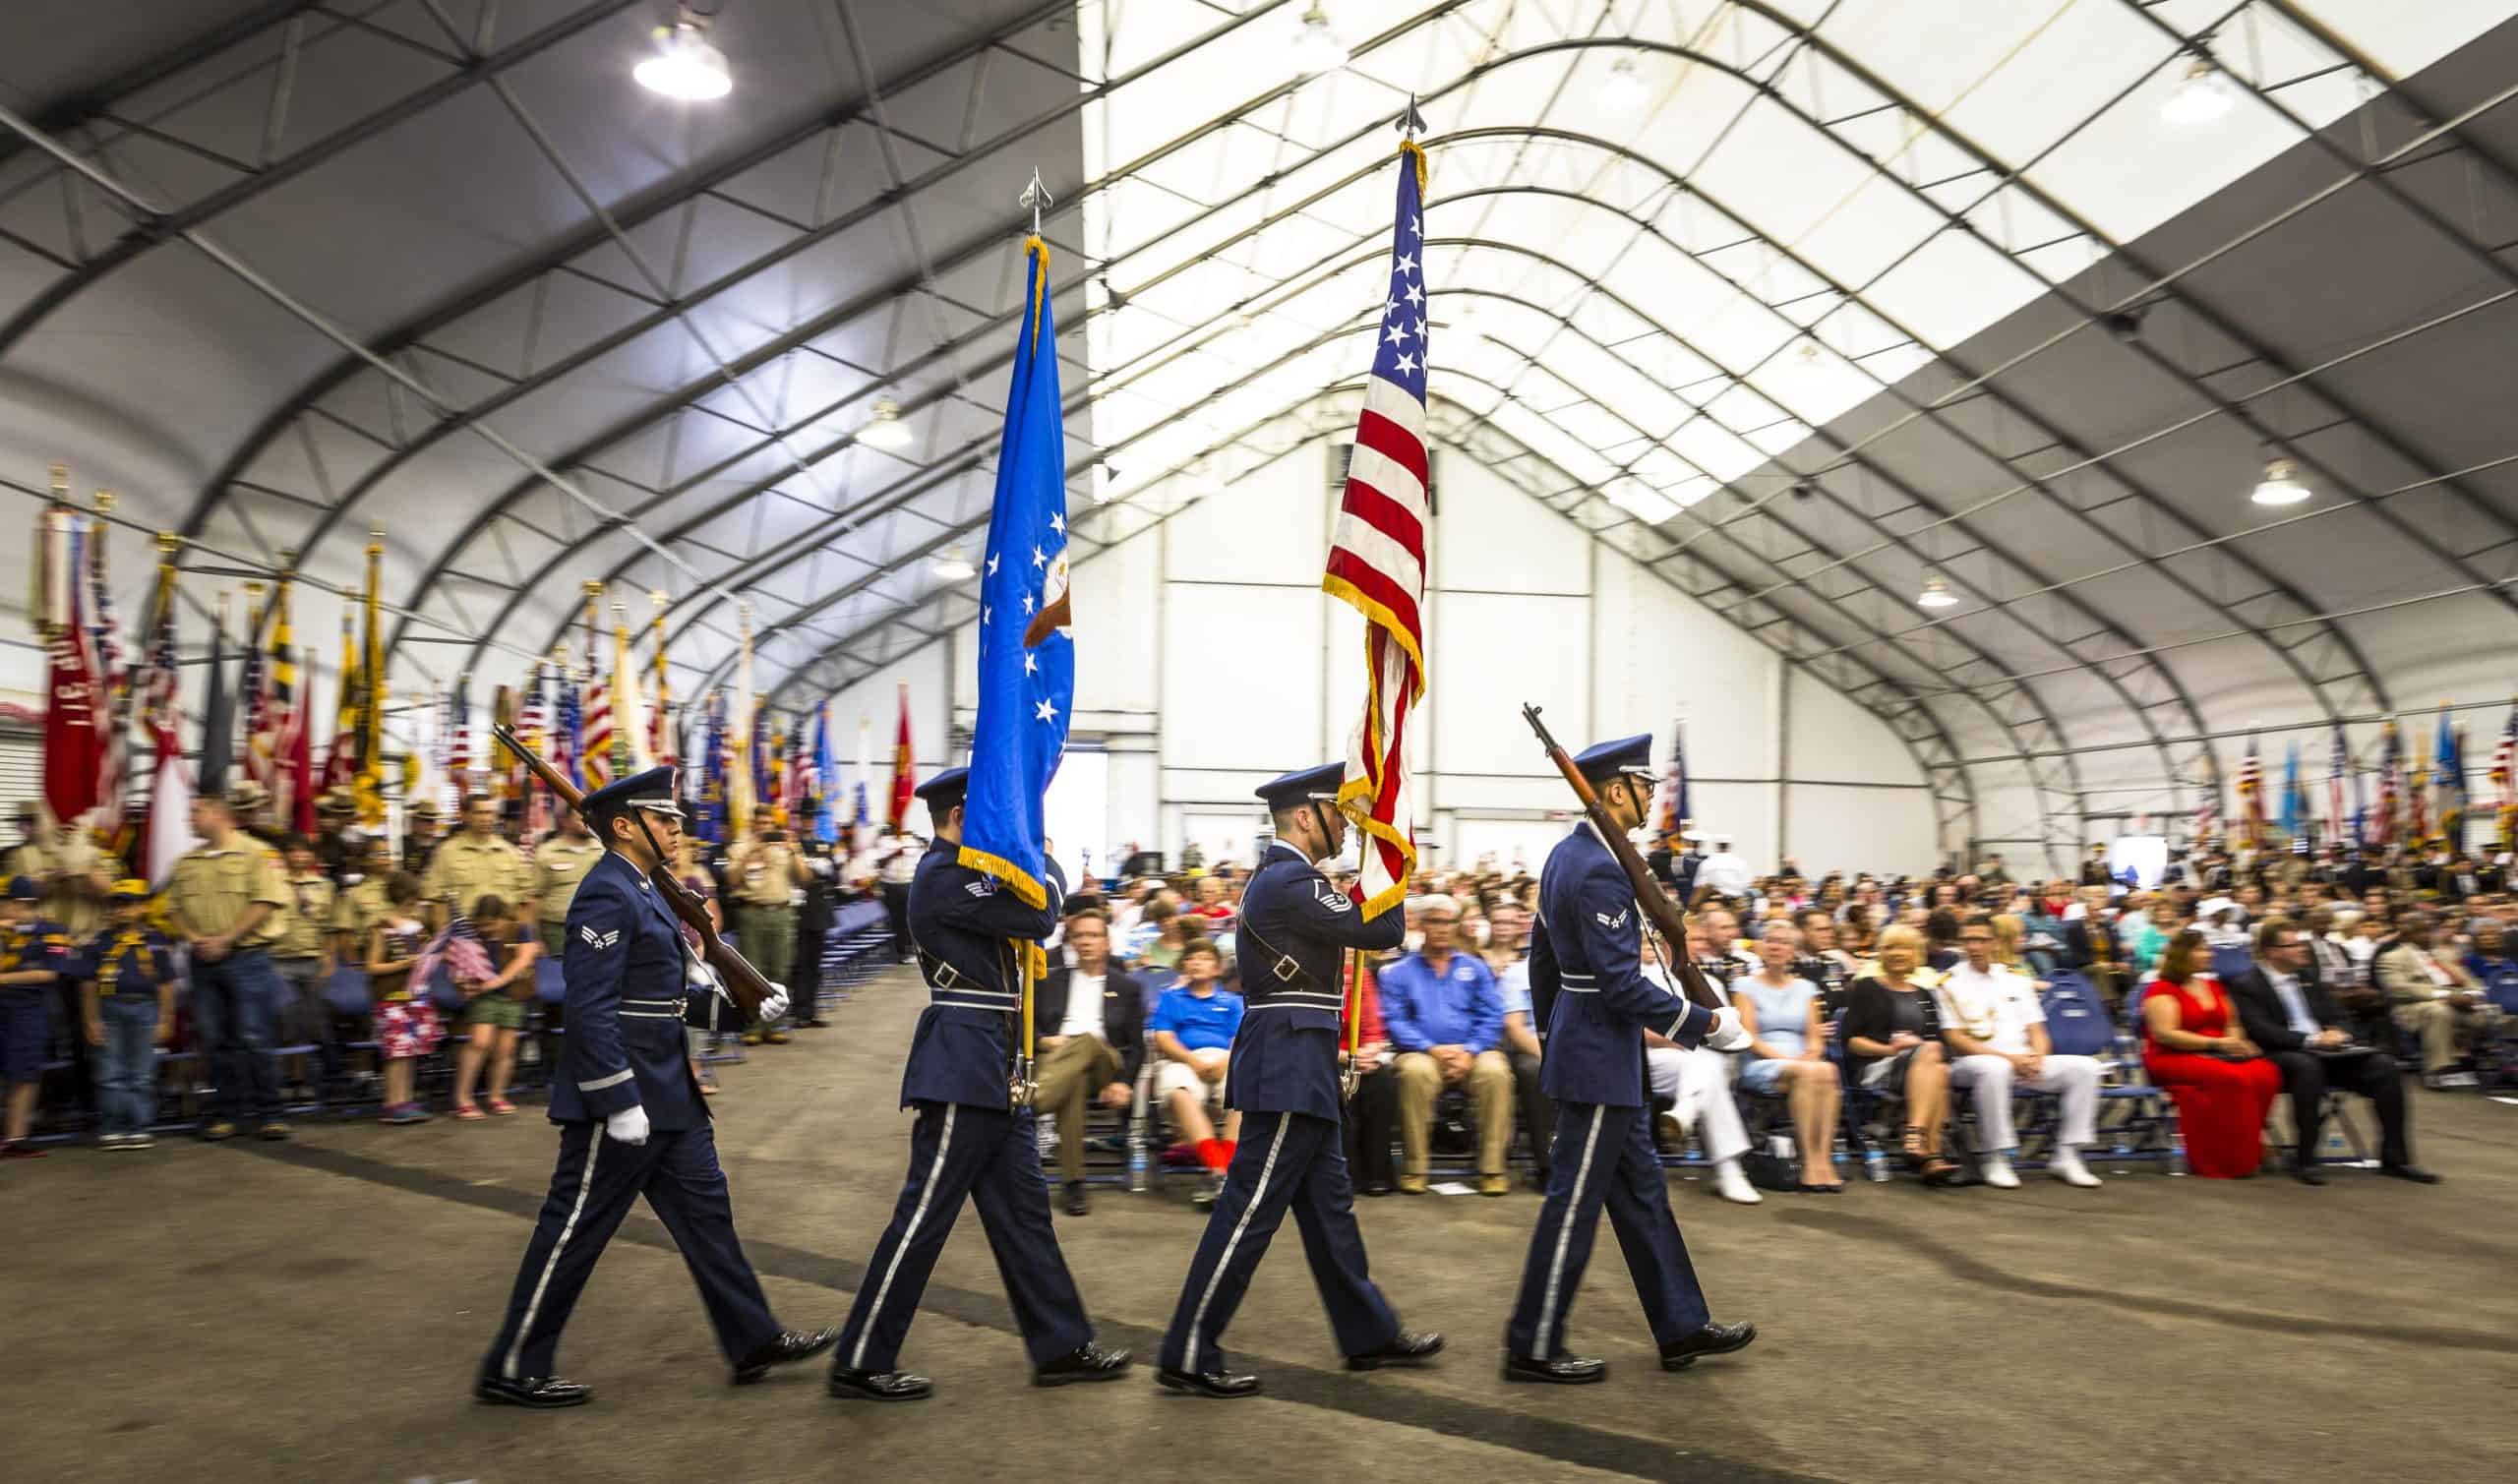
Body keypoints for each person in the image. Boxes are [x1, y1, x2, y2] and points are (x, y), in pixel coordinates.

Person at [477, 765, 831, 1409]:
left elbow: (665, 998)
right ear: (624, 824)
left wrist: (744, 1008)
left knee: (709, 1220)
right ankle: (512, 1363)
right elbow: (590, 1009)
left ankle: (752, 1336)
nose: (675, 827)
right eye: (662, 818)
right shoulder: (606, 892)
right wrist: (615, 1100)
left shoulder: (643, 889)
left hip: (670, 1094)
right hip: (625, 1100)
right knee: (573, 1229)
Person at [832, 768, 1127, 1402]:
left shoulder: (969, 874)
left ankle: (1059, 1344)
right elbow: (1044, 912)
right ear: (966, 815)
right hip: (964, 1061)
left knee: (1024, 1217)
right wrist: (1041, 858)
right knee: (924, 1216)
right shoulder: (944, 876)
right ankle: (861, 1357)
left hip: (996, 1061)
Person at [1156, 763, 1441, 1398]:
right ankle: (1189, 1345)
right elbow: (1385, 929)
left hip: (1299, 1056)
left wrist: (1371, 855)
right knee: (1250, 1208)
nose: (1348, 823)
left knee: (1330, 1209)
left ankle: (1366, 1330)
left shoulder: (1288, 880)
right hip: (1287, 1059)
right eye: (1340, 814)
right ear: (1306, 816)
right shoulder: (1290, 879)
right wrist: (1381, 856)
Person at [1503, 734, 1754, 1387]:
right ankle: (1532, 1342)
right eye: (1644, 785)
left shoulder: (1567, 856)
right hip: (1597, 1055)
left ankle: (1679, 1322)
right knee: (1573, 1203)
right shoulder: (1599, 866)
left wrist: (1553, 1027)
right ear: (1616, 789)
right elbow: (1616, 984)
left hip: (1594, 1050)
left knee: (1642, 1193)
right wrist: (1704, 1025)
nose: (1651, 796)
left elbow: (1543, 962)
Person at [2224, 917, 2435, 1185]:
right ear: (2272, 951)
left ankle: (2396, 1158)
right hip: (2280, 1055)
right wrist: (2313, 1040)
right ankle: (2306, 1158)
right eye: (2294, 945)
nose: (2303, 949)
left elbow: (2340, 1014)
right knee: (2307, 1067)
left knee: (2385, 1067)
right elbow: (2262, 1031)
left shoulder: (2308, 977)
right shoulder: (2247, 984)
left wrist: (2341, 1032)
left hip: (2328, 1052)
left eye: (2301, 944)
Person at [1935, 915, 2104, 1189]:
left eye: (1980, 939)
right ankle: (1996, 1156)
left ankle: (2067, 1153)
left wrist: (2037, 1057)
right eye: (1967, 940)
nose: (1973, 946)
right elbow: (1955, 1038)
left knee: (2086, 1068)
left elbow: (2037, 1030)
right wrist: (2010, 1059)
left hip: (2024, 1060)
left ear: (1994, 942)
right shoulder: (1948, 982)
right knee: (1995, 1069)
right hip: (1974, 1062)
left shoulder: (2016, 978)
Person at [168, 788, 293, 1142]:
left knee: (254, 1036)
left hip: (248, 958)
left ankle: (270, 1113)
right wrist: (193, 937)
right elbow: (173, 908)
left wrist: (226, 939)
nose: (189, 819)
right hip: (203, 961)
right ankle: (227, 1113)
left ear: (218, 814)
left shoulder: (256, 854)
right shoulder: (187, 863)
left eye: (196, 812)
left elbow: (265, 902)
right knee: (215, 1039)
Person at [1378, 894, 1513, 1196]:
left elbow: (1492, 1015)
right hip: (1420, 1053)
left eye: (1448, 922)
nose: (1442, 928)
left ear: (1456, 926)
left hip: (1473, 1053)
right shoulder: (1399, 972)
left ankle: (1492, 1169)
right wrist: (1432, 1049)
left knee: (1496, 1072)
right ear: (1422, 925)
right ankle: (1416, 1168)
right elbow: (1396, 1021)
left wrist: (1471, 1051)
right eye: (1435, 921)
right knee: (1415, 1073)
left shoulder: (1475, 968)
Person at [2140, 928, 2283, 1180]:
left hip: (2219, 1051)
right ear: (2183, 955)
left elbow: (2233, 1024)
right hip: (2172, 1056)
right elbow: (2166, 1034)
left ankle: (2251, 1142)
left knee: (2265, 1072)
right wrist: (2216, 1045)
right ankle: (2230, 1159)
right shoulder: (2161, 989)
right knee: (2233, 1079)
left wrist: (2236, 1042)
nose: (2210, 954)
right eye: (2202, 949)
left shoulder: (2214, 985)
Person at [1032, 907, 1144, 1217]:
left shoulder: (1127, 987)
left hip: (1105, 1063)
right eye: (1079, 935)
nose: (1085, 941)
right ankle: (1073, 1183)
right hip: (1058, 1062)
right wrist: (1043, 1040)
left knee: (1087, 1041)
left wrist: (1124, 1082)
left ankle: (1032, 1100)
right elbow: (1025, 1029)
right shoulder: (1050, 981)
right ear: (1070, 941)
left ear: (1107, 942)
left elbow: (1136, 1046)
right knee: (1074, 1083)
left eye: (1093, 935)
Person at [1840, 924, 1958, 1184]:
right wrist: (1891, 1049)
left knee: (1939, 1067)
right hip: (1876, 1066)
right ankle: (1920, 1139)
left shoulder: (1924, 994)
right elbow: (1852, 1042)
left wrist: (1924, 1049)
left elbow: (1936, 1040)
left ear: (1916, 954)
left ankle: (1929, 1156)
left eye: (1904, 948)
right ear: (1881, 953)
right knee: (1933, 1059)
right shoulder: (1865, 988)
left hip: (1922, 1068)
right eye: (1890, 947)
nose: (1897, 953)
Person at [1731, 923, 1842, 1191]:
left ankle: (1822, 1161)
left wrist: (1811, 1054)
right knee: (1811, 1072)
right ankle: (1810, 1163)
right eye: (1770, 941)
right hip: (1760, 1062)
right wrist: (1792, 1061)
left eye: (1783, 942)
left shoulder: (1806, 988)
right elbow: (1750, 1037)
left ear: (1793, 951)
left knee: (1827, 1071)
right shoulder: (1744, 985)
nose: (1776, 947)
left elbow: (1814, 1035)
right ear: (1761, 947)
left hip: (1803, 1064)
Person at [1148, 938, 1245, 1207]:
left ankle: (1219, 1174)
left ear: (1216, 967)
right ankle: (1219, 1169)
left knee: (1245, 1090)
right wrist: (1193, 1061)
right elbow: (1164, 1038)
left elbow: (1241, 1039)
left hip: (1226, 1058)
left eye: (1203, 958)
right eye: (1191, 958)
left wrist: (1225, 1061)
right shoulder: (1170, 997)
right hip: (1182, 1058)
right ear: (1184, 965)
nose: (1196, 963)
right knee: (1178, 1090)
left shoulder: (1232, 1001)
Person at [81, 881, 177, 1150]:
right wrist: (91, 1020)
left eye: (129, 903)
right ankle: (112, 1127)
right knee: (110, 1070)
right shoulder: (98, 943)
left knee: (142, 1071)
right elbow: (88, 985)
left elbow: (166, 984)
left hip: (146, 1008)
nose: (122, 910)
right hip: (109, 1008)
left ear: (144, 907)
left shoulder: (156, 941)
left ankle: (139, 1126)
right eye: (117, 904)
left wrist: (166, 1018)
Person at [2379, 910, 2505, 1088]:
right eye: (2421, 931)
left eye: (2430, 930)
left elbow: (2473, 982)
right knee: (2440, 1011)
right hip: (2415, 1008)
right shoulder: (2392, 957)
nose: (2428, 935)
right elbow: (2398, 989)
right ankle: (2437, 1070)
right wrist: (2446, 996)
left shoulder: (2443, 955)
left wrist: (2471, 996)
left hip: (2457, 1002)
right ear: (2407, 935)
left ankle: (2501, 1065)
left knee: (2493, 1012)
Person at [450, 895, 542, 1119]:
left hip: (513, 994)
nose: (487, 929)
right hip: (485, 997)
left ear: (503, 917)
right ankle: (463, 1098)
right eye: (482, 924)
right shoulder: (471, 934)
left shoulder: (521, 929)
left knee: (506, 1049)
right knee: (479, 1042)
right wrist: (462, 982)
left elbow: (523, 959)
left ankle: (497, 1095)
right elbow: (456, 962)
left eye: (492, 923)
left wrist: (497, 981)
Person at [0, 875, 70, 1158]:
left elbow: (50, 972)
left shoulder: (53, 930)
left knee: (25, 1073)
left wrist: (2, 979)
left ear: (18, 904)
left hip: (30, 1007)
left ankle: (15, 1137)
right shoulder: (4, 932)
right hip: (5, 1004)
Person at [727, 818, 810, 1045]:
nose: (765, 827)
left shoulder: (785, 848)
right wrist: (751, 853)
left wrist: (794, 850)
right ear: (755, 824)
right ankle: (753, 1026)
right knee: (753, 972)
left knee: (780, 970)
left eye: (769, 823)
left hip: (782, 913)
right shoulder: (741, 847)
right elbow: (731, 880)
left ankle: (774, 1025)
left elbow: (805, 879)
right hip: (752, 913)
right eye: (761, 822)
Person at [366, 874, 440, 1126]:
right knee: (397, 1052)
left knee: (412, 1051)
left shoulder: (419, 928)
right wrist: (404, 963)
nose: (412, 904)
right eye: (409, 900)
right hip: (392, 998)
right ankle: (392, 1102)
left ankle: (405, 1099)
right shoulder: (382, 928)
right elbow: (372, 967)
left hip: (417, 996)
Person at [1489, 900, 1551, 1192]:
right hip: (1530, 1050)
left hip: (1569, 1049)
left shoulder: (1577, 972)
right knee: (1535, 1070)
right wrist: (1553, 1058)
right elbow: (1514, 1028)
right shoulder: (1516, 973)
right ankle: (1548, 1166)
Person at [423, 794, 532, 928]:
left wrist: (524, 936)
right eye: (479, 813)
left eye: (490, 813)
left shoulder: (511, 853)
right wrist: (443, 936)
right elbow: (437, 901)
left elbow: (524, 900)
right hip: (463, 932)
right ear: (466, 816)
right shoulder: (447, 853)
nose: (486, 818)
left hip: (503, 933)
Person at [530, 806, 604, 960]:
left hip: (596, 927)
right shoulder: (547, 853)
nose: (586, 822)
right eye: (580, 818)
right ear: (565, 821)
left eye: (588, 818)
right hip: (557, 931)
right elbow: (535, 899)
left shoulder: (602, 851)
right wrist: (534, 938)